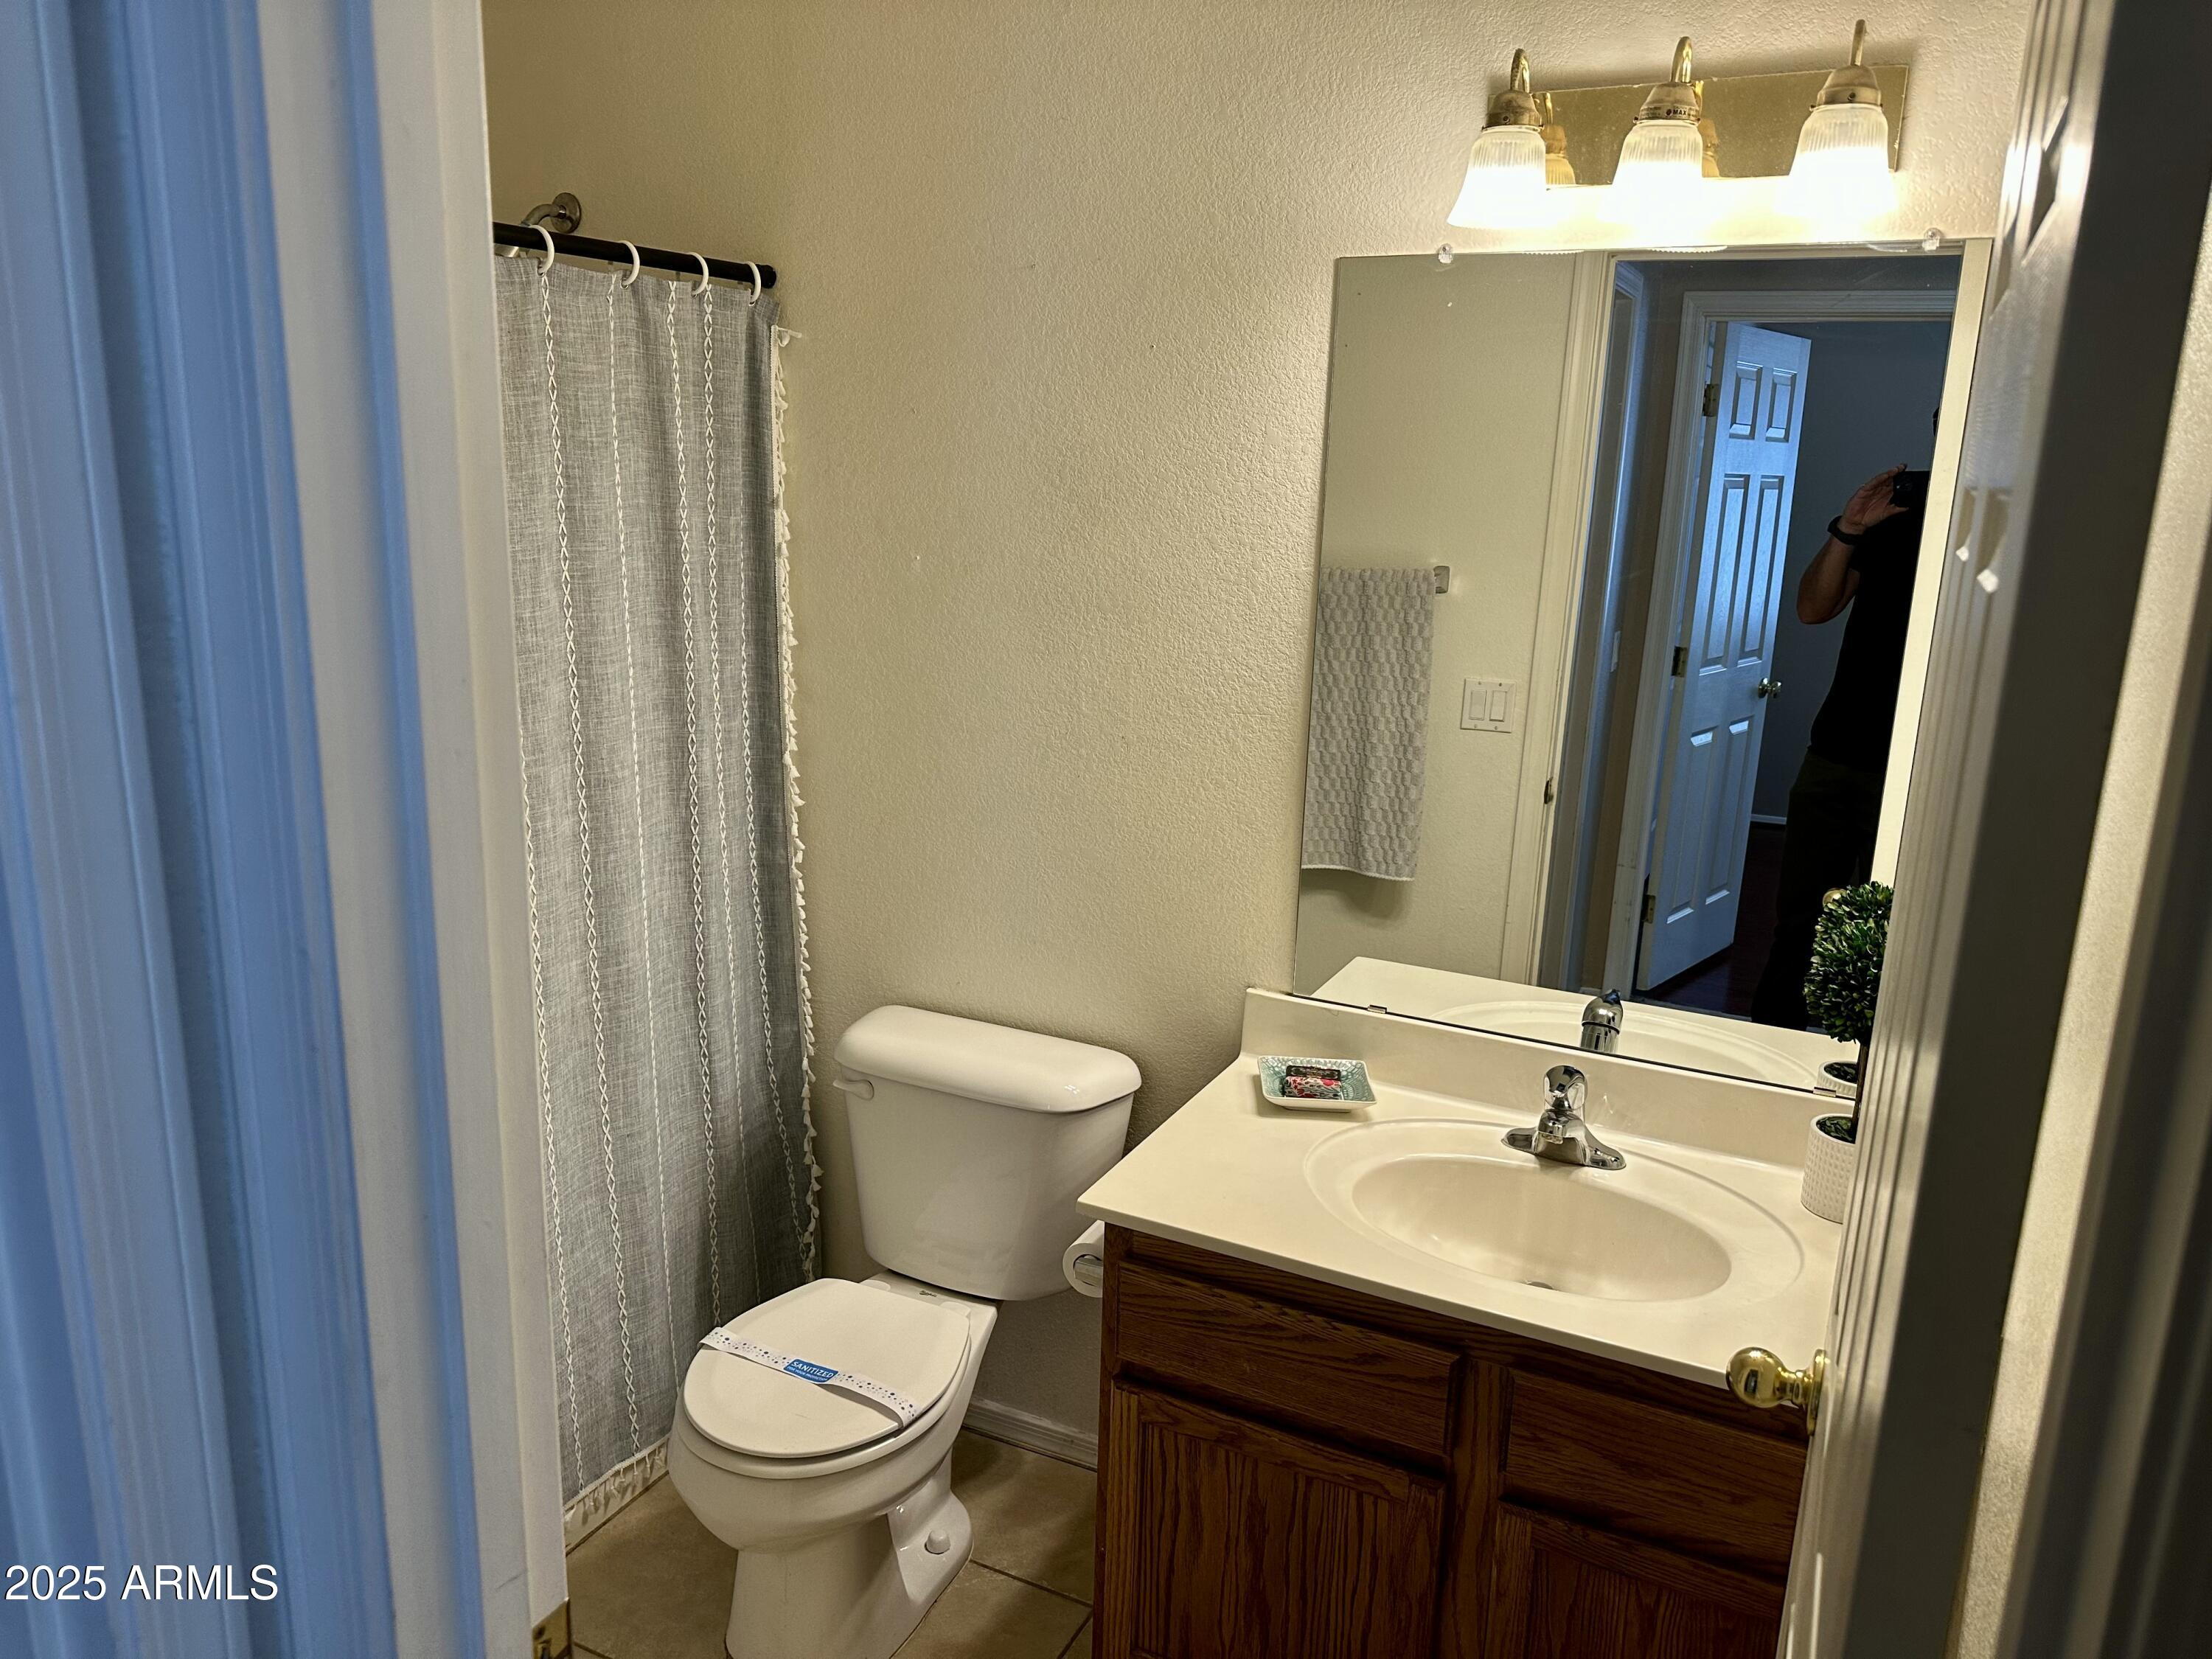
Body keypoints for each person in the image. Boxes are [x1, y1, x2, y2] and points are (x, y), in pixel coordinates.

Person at [1750, 463, 1927, 1030]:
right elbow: (1813, 609)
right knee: (1800, 919)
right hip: (1837, 749)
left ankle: (1867, 1063)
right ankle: (1773, 1049)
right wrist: (1849, 527)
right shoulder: (1893, 521)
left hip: (1920, 764)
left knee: (1890, 929)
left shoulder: (1995, 521)